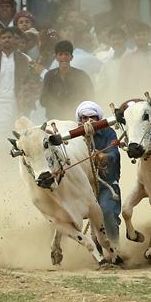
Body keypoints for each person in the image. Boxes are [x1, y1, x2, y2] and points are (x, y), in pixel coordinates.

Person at [0, 27, 39, 150]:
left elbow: (33, 83)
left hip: (17, 104)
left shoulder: (25, 59)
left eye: (9, 37)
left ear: (14, 40)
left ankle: (14, 168)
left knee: (17, 139)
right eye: (3, 38)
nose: (6, 40)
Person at [75, 101, 121, 252]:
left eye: (93, 117)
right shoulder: (74, 137)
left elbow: (114, 152)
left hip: (106, 184)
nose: (89, 121)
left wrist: (103, 156)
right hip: (82, 188)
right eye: (84, 118)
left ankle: (116, 249)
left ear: (98, 118)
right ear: (79, 120)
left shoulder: (108, 133)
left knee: (106, 212)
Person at [40, 40, 94, 121]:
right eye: (60, 54)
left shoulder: (81, 76)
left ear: (71, 57)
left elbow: (90, 97)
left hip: (77, 119)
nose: (63, 57)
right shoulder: (49, 76)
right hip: (55, 121)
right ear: (56, 57)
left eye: (66, 54)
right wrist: (57, 105)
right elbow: (43, 100)